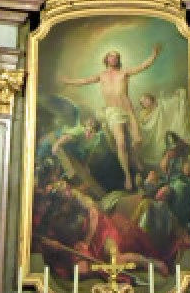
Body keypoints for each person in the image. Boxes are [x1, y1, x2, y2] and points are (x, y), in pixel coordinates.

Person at [60, 44, 162, 191]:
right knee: (121, 144)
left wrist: (153, 56)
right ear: (106, 59)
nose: (113, 58)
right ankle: (127, 176)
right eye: (111, 56)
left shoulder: (124, 72)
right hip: (113, 112)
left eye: (116, 56)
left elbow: (142, 67)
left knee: (138, 140)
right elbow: (84, 81)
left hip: (128, 110)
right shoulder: (101, 75)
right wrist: (68, 81)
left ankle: (133, 156)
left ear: (118, 60)